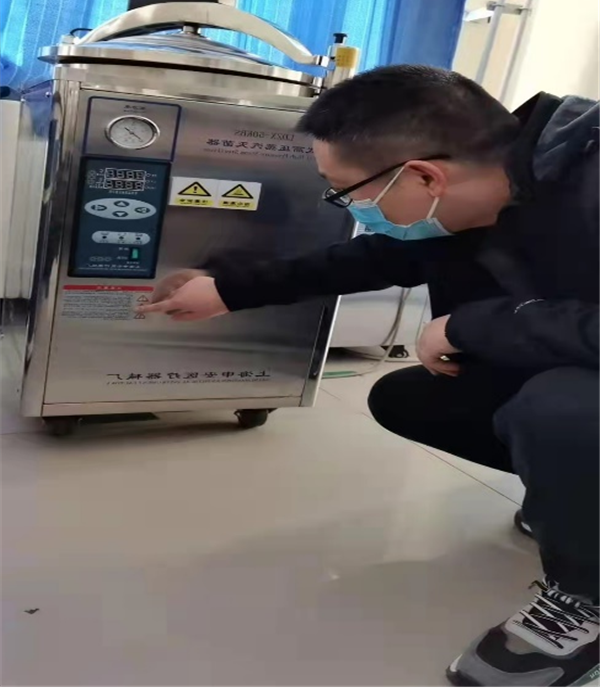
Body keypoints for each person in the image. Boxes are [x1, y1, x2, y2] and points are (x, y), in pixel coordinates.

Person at [144, 65, 599, 687]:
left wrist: (474, 325)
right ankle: (577, 499)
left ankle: (586, 592)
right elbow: (374, 257)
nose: (354, 209)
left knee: (562, 409)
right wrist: (227, 289)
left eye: (347, 192)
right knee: (409, 398)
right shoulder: (490, 191)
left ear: (424, 177)